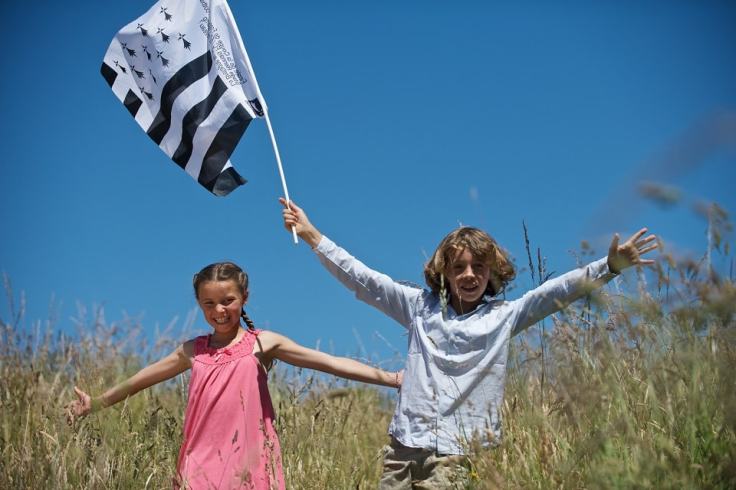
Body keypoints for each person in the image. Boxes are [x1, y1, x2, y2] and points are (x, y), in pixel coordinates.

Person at [280, 198, 657, 489]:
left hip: (460, 452)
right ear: (443, 272)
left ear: (492, 271)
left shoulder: (503, 316)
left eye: (478, 266)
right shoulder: (418, 307)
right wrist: (312, 234)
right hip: (404, 446)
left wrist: (607, 267)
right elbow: (363, 280)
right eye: (459, 267)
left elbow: (554, 292)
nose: (469, 274)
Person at [67, 261, 402, 490]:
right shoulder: (192, 350)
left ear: (244, 298)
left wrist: (390, 378)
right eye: (209, 303)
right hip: (198, 463)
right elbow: (141, 379)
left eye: (227, 301)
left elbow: (328, 362)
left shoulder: (262, 343)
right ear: (199, 304)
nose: (219, 310)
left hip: (252, 460)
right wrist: (96, 403)